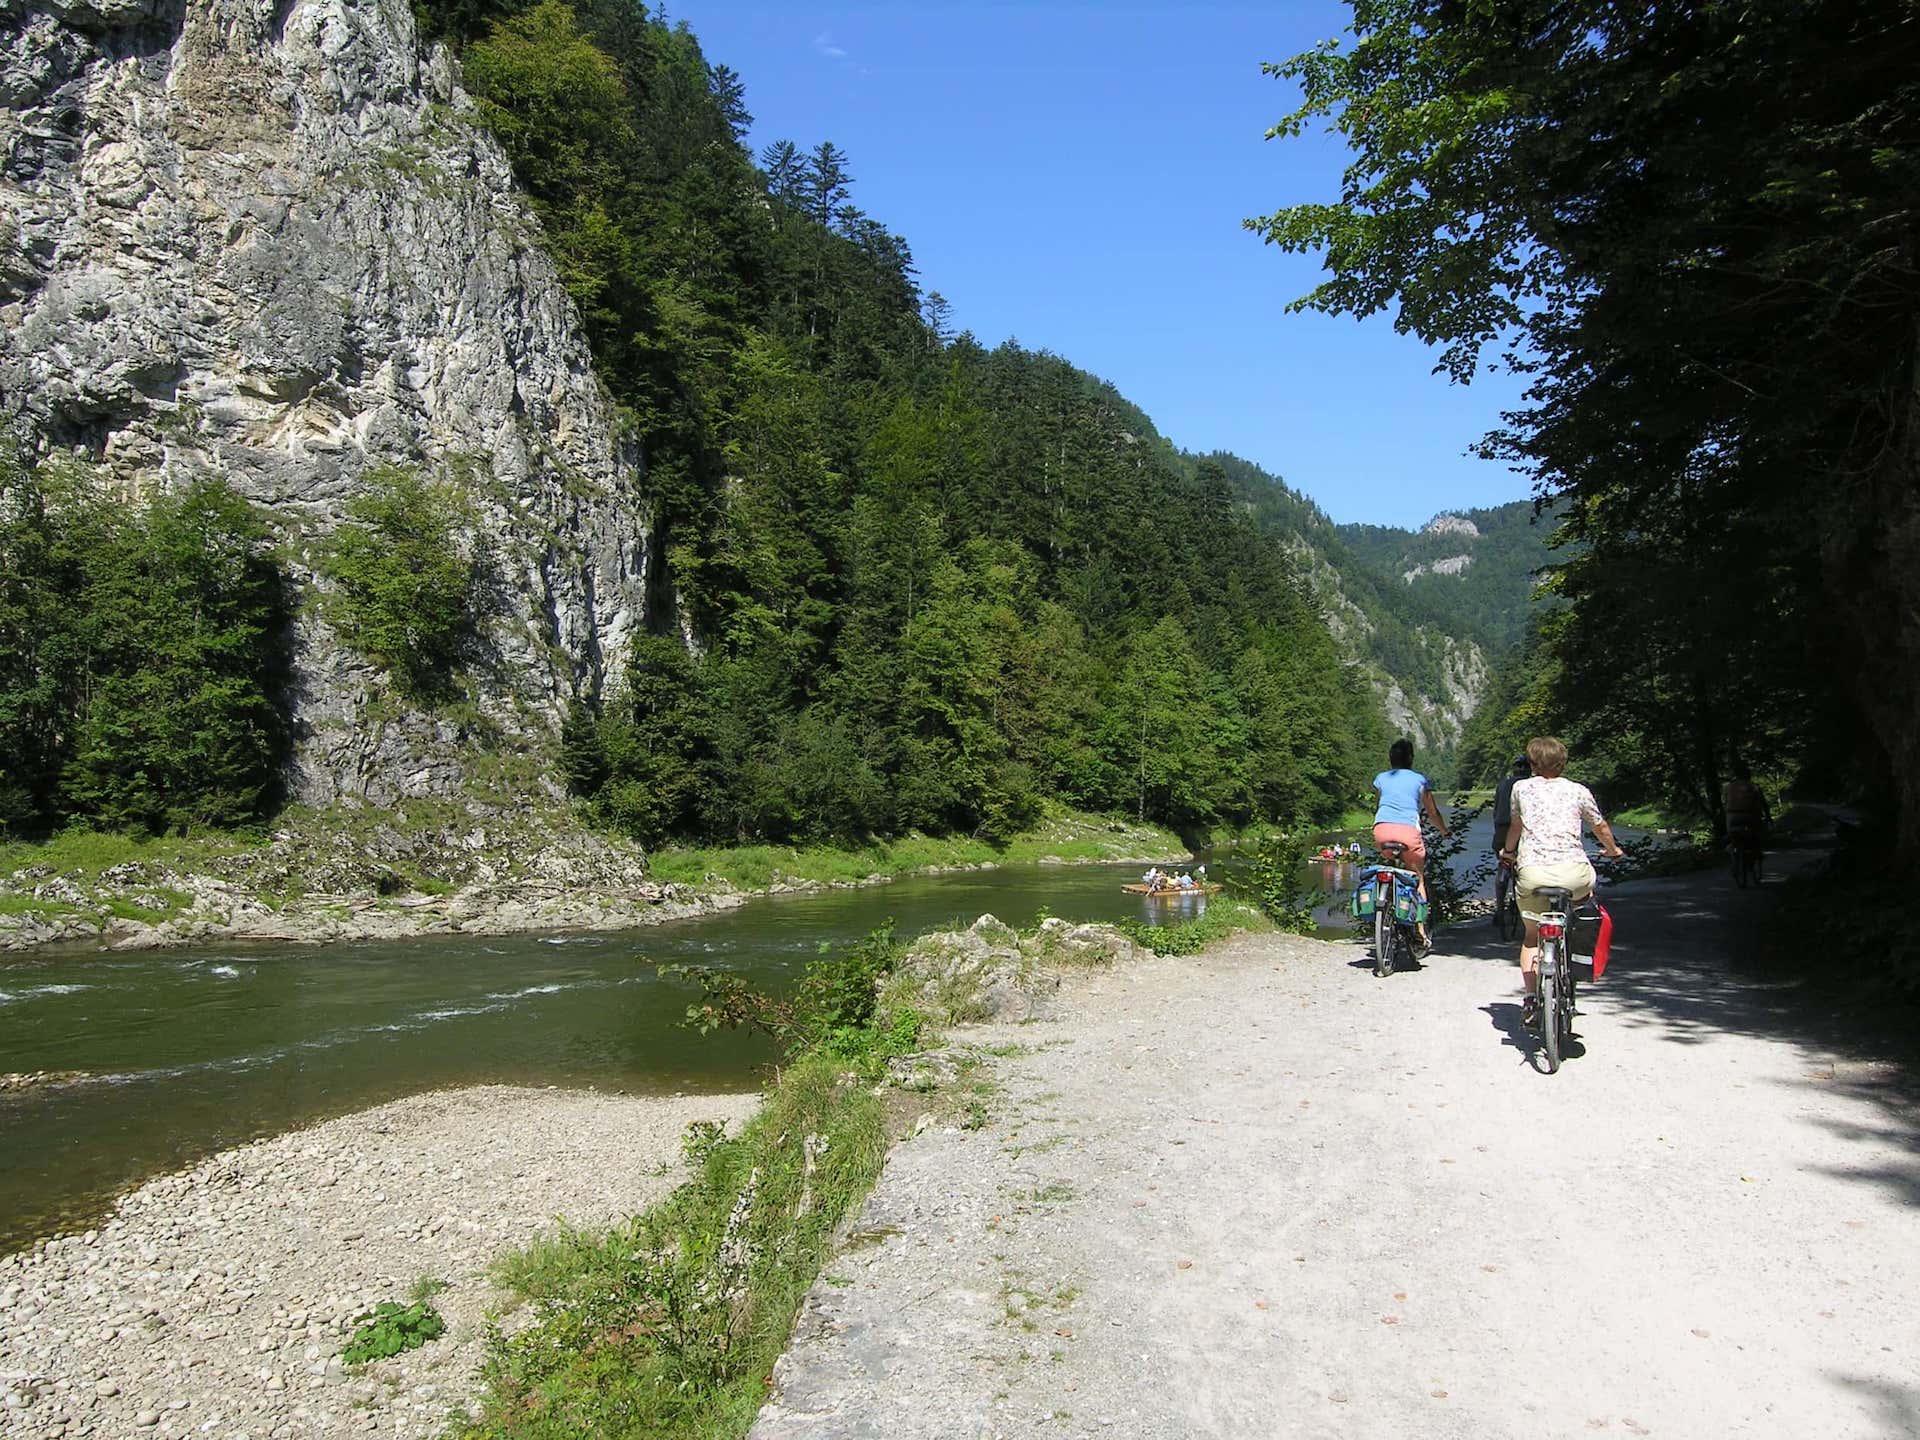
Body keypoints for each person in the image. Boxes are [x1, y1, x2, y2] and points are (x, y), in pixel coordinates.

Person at [1498, 735, 1624, 1025]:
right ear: (1563, 762)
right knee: (1584, 907)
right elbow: (1599, 825)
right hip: (1574, 873)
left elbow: (1516, 826)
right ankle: (1576, 954)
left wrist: (1507, 851)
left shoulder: (1521, 788)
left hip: (1533, 874)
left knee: (1532, 937)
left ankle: (1530, 999)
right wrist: (1612, 849)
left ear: (1531, 763)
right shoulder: (1578, 791)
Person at [1372, 738, 1451, 955]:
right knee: (1417, 878)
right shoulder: (1419, 780)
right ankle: (1419, 931)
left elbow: (1379, 803)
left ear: (1390, 759)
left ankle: (1385, 904)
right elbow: (1432, 812)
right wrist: (1444, 831)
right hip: (1408, 834)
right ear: (1411, 758)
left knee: (1388, 866)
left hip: (1381, 831)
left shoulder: (1380, 778)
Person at [1490, 754, 1530, 928]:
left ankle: (1499, 910)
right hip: (1522, 829)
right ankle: (1525, 908)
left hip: (1502, 829)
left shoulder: (1502, 784)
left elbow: (1496, 810)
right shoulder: (1530, 785)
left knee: (1503, 864)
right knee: (1525, 867)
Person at [1724, 760, 1771, 854]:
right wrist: (1768, 817)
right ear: (1749, 776)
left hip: (1732, 816)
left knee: (1731, 836)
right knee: (1757, 834)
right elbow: (1763, 803)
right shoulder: (1754, 787)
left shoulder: (1729, 787)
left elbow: (1726, 802)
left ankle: (1731, 851)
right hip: (1750, 816)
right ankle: (1757, 851)